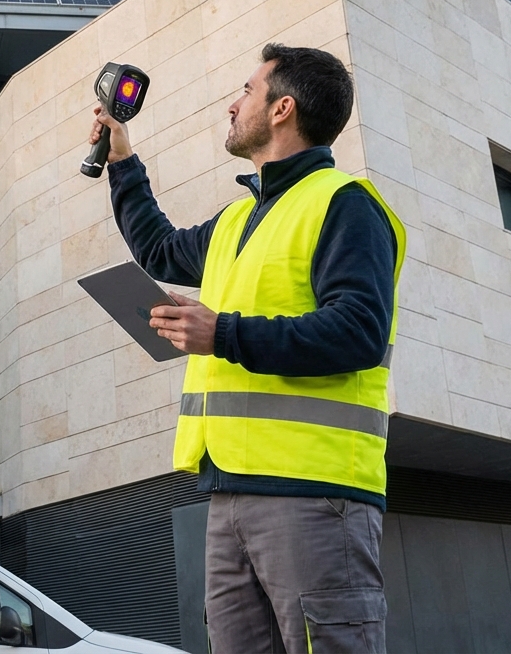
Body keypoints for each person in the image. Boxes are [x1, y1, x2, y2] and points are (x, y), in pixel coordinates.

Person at [90, 43, 404, 654]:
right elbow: (159, 249)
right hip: (229, 488)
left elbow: (359, 330)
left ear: (282, 108)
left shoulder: (345, 204)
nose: (232, 105)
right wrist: (123, 161)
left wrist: (222, 333)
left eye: (246, 92)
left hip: (314, 491)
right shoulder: (239, 219)